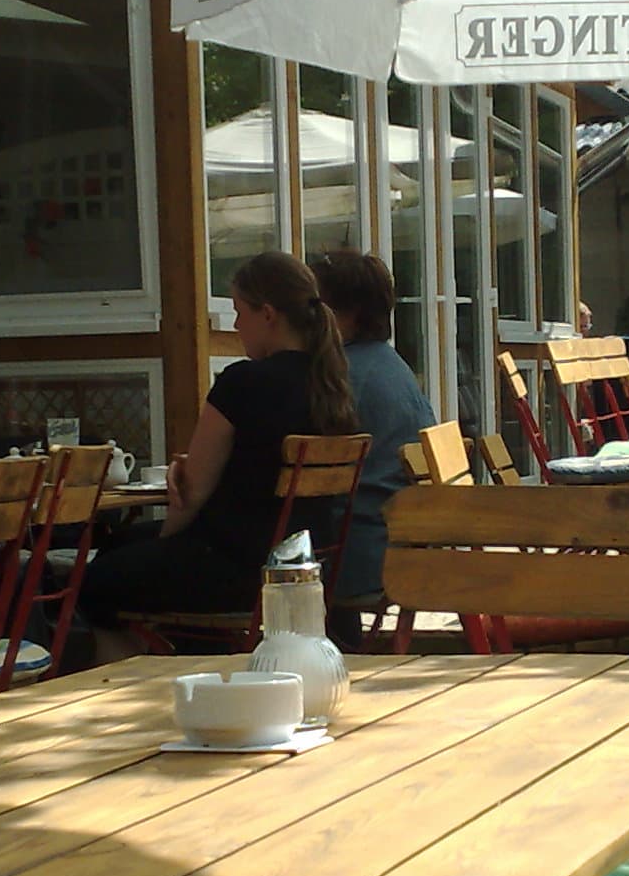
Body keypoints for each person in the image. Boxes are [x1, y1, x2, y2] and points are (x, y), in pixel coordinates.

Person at [81, 251, 360, 650]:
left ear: (267, 314)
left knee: (95, 582)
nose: (235, 324)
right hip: (303, 565)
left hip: (236, 569)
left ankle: (129, 682)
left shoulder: (242, 382)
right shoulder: (334, 390)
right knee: (121, 548)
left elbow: (190, 494)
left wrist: (165, 538)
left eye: (239, 312)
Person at [312, 248, 434, 624]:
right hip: (400, 547)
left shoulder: (340, 377)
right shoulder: (392, 367)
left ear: (337, 312)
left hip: (354, 560)